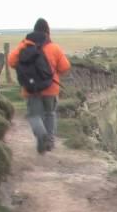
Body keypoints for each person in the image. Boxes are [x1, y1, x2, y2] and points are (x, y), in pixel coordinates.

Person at [8, 18, 71, 154]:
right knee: (50, 114)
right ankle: (48, 141)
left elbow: (11, 61)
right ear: (47, 32)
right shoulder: (53, 47)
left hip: (31, 89)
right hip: (50, 88)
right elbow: (65, 67)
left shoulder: (24, 45)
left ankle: (41, 136)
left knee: (34, 116)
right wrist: (53, 73)